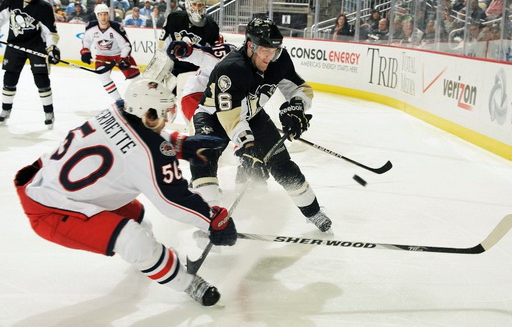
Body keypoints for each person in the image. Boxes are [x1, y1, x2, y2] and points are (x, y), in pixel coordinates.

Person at [13, 78, 237, 306]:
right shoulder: (149, 152)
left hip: (51, 182)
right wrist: (212, 221)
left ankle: (152, 261)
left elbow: (137, 135)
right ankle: (188, 283)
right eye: (162, 115)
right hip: (51, 211)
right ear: (147, 114)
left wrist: (177, 144)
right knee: (132, 237)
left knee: (137, 219)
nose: (165, 121)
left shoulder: (118, 107)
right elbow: (173, 201)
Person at [189, 17, 332, 233]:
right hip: (214, 116)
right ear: (250, 46)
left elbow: (300, 88)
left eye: (273, 49)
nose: (269, 55)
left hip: (253, 115)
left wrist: (296, 108)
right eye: (264, 49)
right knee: (203, 156)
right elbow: (231, 118)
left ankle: (313, 211)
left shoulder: (279, 60)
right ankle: (206, 218)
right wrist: (248, 146)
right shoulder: (230, 69)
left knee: (282, 163)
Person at [0, 0, 60, 128]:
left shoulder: (43, 7)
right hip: (15, 44)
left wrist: (52, 48)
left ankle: (49, 112)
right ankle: (5, 110)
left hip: (36, 46)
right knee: (9, 79)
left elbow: (51, 32)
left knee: (42, 80)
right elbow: (1, 16)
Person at [80, 4, 140, 101]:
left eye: (105, 14)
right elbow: (86, 40)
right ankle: (119, 101)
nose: (103, 17)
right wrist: (85, 52)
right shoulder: (90, 27)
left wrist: (123, 58)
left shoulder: (116, 27)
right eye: (100, 15)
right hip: (102, 56)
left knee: (137, 80)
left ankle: (140, 101)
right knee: (103, 76)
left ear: (109, 15)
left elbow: (126, 45)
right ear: (97, 15)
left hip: (119, 55)